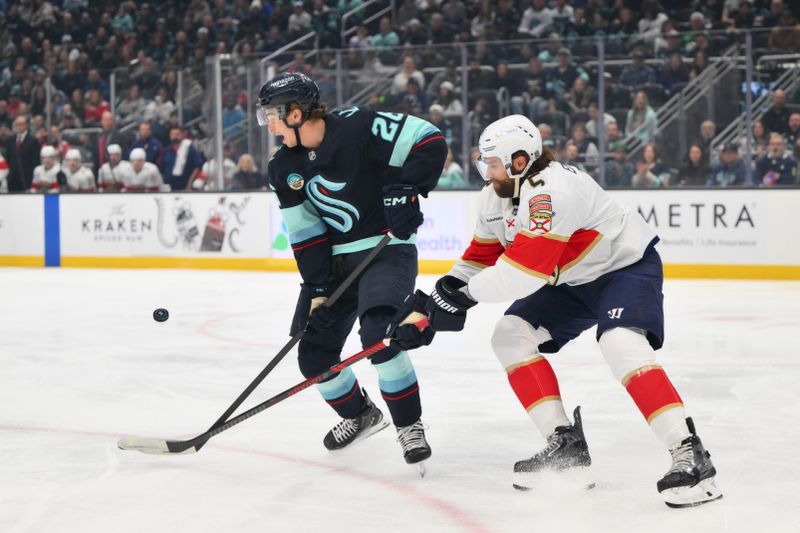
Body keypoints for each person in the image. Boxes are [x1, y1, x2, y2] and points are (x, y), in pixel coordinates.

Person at [392, 114, 722, 508]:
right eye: (484, 162)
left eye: (492, 163)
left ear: (519, 160)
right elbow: (480, 259)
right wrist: (432, 303)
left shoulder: (551, 189)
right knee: (510, 335)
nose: (486, 170)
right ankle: (565, 447)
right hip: (571, 281)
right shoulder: (494, 195)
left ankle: (689, 451)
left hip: (624, 269)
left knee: (619, 343)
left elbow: (524, 273)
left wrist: (462, 298)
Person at [256, 72, 446, 468]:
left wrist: (407, 188)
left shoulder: (359, 126)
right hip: (337, 263)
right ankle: (360, 414)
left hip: (386, 249)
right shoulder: (282, 168)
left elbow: (428, 138)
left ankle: (408, 425)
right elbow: (306, 233)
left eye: (272, 115)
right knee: (312, 355)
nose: (268, 124)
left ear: (296, 112)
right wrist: (318, 288)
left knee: (379, 333)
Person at [159, 126, 204, 191]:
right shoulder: (166, 150)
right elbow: (162, 169)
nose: (175, 137)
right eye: (173, 135)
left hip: (185, 188)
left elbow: (198, 165)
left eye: (177, 135)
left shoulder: (189, 148)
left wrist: (189, 184)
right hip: (169, 189)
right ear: (170, 136)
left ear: (181, 135)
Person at [6, 115, 40, 192]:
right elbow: (8, 158)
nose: (19, 126)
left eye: (21, 124)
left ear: (26, 125)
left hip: (26, 178)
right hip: (13, 178)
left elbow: (35, 161)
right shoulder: (11, 140)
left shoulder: (33, 140)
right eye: (17, 124)